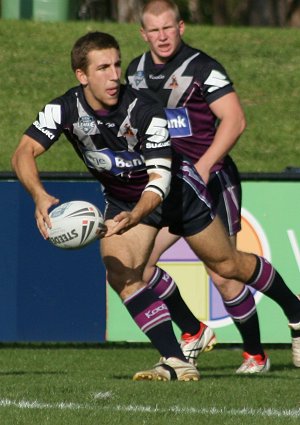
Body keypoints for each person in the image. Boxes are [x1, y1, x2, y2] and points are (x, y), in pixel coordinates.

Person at [11, 31, 300, 382]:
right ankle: (176, 359)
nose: (115, 75)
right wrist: (39, 195)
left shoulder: (145, 110)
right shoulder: (64, 108)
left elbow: (159, 180)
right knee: (121, 272)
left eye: (117, 64)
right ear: (82, 76)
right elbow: (23, 151)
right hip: (124, 198)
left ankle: (295, 310)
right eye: (103, 67)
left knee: (229, 265)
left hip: (177, 193)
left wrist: (135, 217)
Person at [125, 0, 300, 372]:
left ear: (181, 27)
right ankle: (193, 330)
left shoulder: (203, 67)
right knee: (136, 265)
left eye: (168, 27)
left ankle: (263, 346)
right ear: (143, 34)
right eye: (154, 30)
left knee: (224, 273)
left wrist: (203, 167)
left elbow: (234, 120)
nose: (162, 36)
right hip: (165, 183)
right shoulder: (134, 73)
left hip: (210, 180)